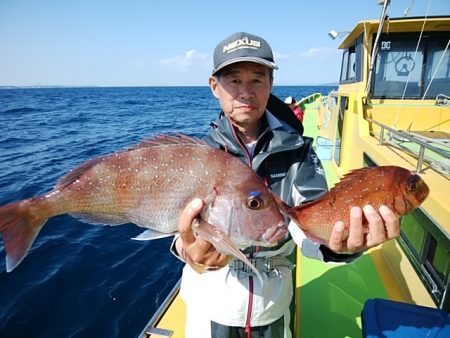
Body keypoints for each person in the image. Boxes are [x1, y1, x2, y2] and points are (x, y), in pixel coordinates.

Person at [171, 31, 400, 338]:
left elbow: (309, 227)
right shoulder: (199, 156)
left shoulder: (299, 152)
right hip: (210, 305)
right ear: (215, 86)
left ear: (271, 85)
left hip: (273, 305)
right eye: (234, 80)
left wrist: (340, 246)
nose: (245, 92)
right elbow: (173, 224)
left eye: (257, 79)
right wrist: (184, 247)